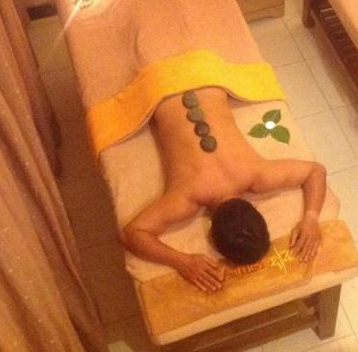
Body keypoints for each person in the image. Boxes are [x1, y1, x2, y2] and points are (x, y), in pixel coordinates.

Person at [120, 87, 327, 292]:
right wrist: (181, 261)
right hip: (161, 87)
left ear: (254, 209)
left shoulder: (257, 174)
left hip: (203, 77)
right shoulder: (188, 196)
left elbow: (315, 171)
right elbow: (130, 235)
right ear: (211, 231)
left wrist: (311, 218)